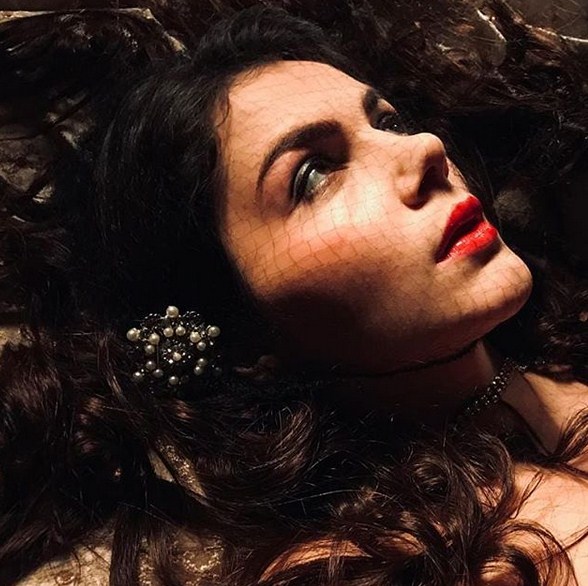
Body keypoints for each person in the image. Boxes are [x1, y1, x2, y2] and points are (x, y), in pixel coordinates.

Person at [0, 2, 587, 585]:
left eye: (388, 123)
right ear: (240, 329)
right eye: (312, 174)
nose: (424, 147)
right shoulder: (377, 568)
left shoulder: (571, 333)